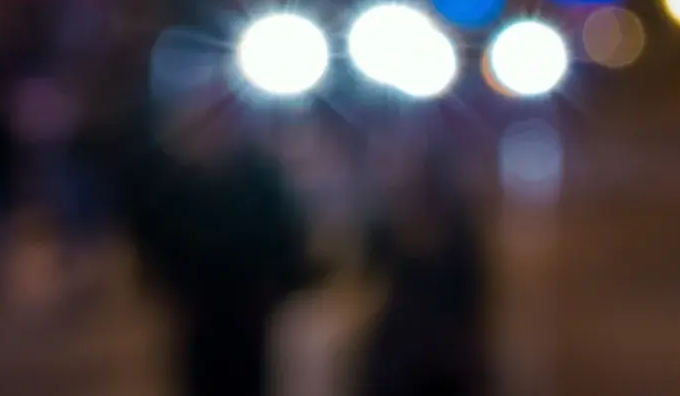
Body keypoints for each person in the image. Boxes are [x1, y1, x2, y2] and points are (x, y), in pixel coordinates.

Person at [122, 86, 317, 396]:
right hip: (200, 315)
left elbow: (286, 243)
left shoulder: (261, 179)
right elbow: (158, 242)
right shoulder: (180, 184)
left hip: (250, 315)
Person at [358, 135, 489, 396]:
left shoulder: (459, 234)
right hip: (398, 353)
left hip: (445, 358)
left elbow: (471, 296)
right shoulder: (388, 229)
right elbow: (371, 284)